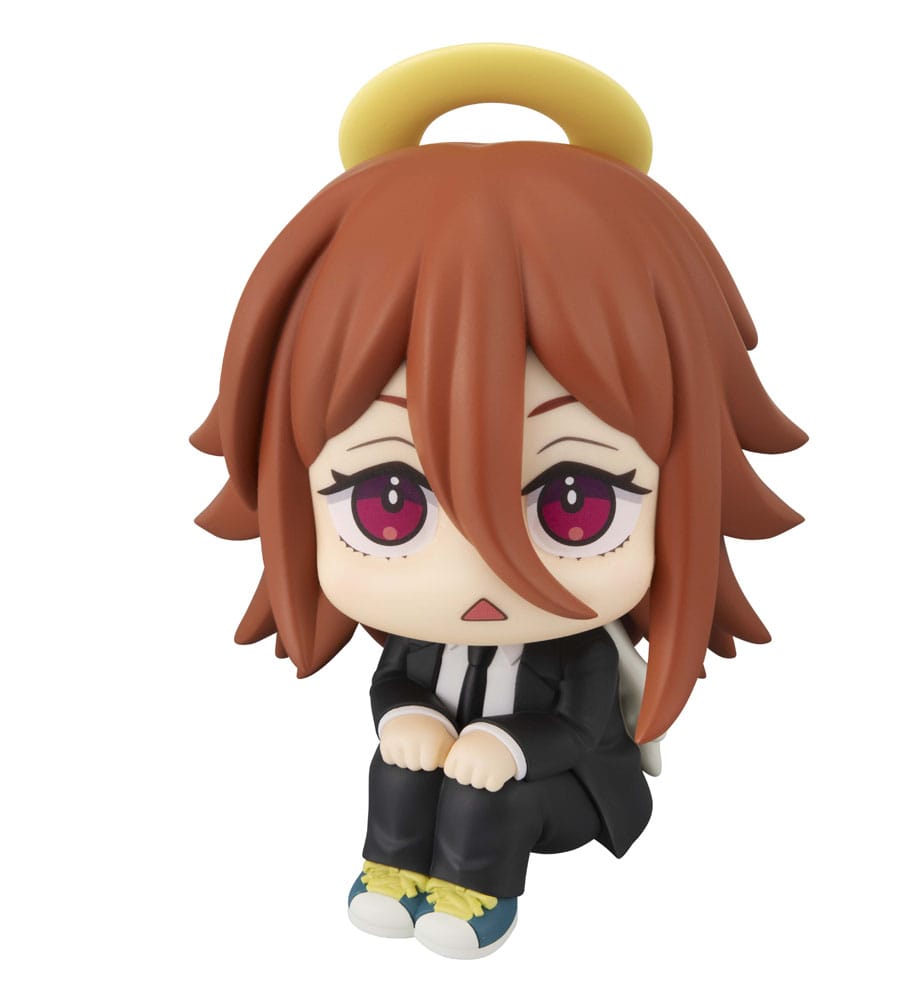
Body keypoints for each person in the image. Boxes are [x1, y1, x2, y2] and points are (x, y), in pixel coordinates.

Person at [192, 44, 806, 959]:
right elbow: (394, 682)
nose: (479, 563)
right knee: (397, 761)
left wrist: (510, 747)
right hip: (449, 774)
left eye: (575, 505)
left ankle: (477, 898)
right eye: (390, 504)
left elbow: (581, 727)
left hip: (560, 792)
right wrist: (404, 718)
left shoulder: (583, 653)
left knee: (492, 796)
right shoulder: (418, 643)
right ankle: (390, 871)